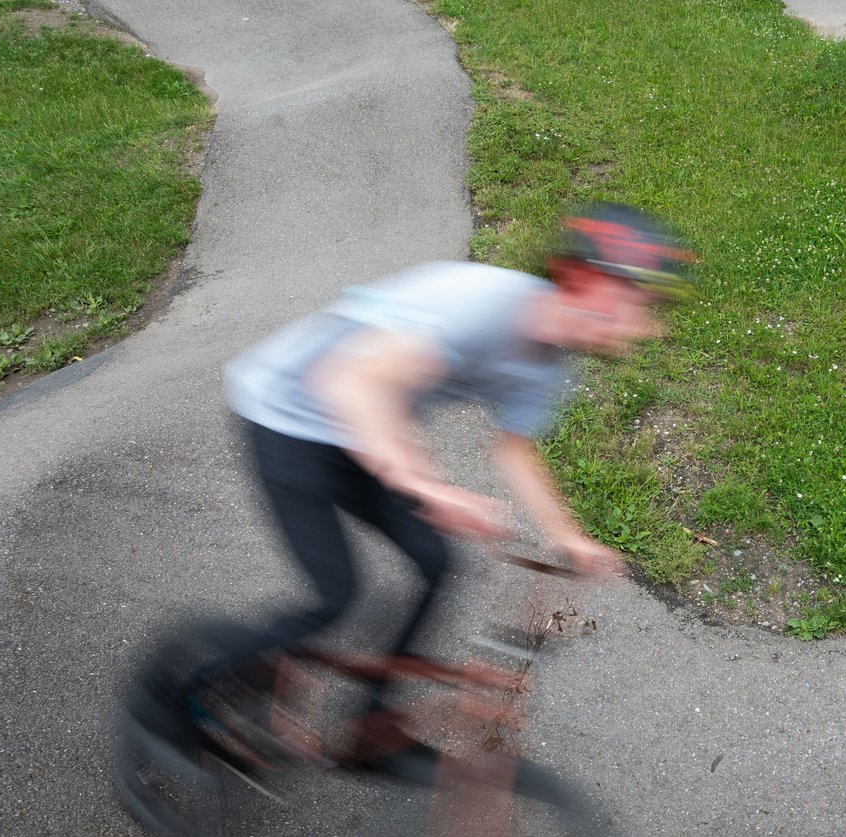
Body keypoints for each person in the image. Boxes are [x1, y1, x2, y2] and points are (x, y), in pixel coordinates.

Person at [129, 203, 693, 759]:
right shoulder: (479, 304)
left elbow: (514, 447)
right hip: (287, 416)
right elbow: (350, 381)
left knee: (437, 561)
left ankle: (373, 720)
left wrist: (566, 534)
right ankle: (171, 707)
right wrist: (429, 488)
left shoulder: (548, 364)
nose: (649, 325)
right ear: (585, 280)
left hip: (368, 432)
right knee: (334, 595)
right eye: (641, 303)